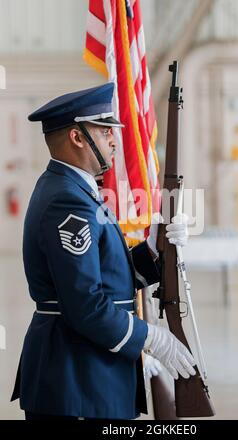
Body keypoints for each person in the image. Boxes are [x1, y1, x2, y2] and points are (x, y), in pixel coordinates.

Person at [11, 83, 196, 420]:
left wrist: (156, 245)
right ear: (78, 137)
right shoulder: (68, 200)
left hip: (88, 372)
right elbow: (85, 305)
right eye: (105, 129)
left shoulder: (75, 190)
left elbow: (109, 274)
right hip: (78, 379)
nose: (114, 139)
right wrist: (149, 338)